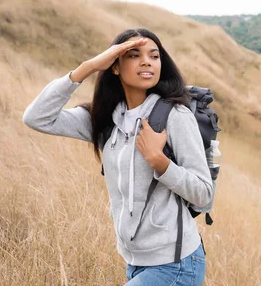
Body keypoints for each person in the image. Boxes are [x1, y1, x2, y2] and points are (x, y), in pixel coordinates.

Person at [23, 28, 213, 285]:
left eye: (154, 56)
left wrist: (160, 162)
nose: (147, 61)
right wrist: (88, 67)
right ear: (114, 66)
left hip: (176, 264)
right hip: (134, 263)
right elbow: (36, 118)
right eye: (134, 55)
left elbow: (204, 194)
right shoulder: (106, 121)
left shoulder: (175, 116)